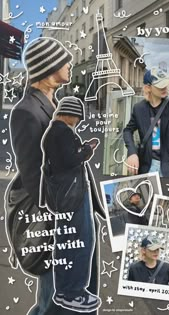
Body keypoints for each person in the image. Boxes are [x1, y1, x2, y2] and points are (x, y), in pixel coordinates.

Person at [8, 37, 101, 315]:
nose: (70, 63)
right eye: (64, 60)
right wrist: (55, 221)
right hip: (55, 214)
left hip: (70, 202)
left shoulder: (54, 103)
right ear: (48, 67)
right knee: (53, 299)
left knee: (64, 290)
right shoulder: (26, 112)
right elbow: (33, 173)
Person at [40, 96, 101, 312]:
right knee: (82, 241)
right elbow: (70, 160)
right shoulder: (62, 132)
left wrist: (82, 148)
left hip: (63, 196)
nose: (78, 121)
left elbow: (63, 159)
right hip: (73, 195)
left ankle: (64, 291)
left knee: (66, 243)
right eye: (77, 117)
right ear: (68, 113)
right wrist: (88, 150)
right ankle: (74, 292)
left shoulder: (53, 133)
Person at [123, 68, 169, 178]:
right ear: (148, 88)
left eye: (165, 84)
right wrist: (132, 152)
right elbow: (127, 130)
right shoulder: (139, 108)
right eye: (160, 86)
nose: (164, 88)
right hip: (147, 168)